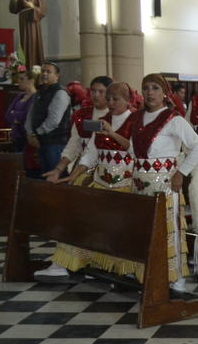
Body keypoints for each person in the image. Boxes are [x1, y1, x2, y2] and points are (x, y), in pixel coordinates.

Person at [34, 82, 138, 281]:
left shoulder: (135, 120)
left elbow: (136, 150)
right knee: (82, 220)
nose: (111, 102)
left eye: (116, 99)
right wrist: (73, 174)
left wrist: (112, 134)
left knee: (122, 228)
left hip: (125, 184)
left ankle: (125, 268)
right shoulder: (102, 120)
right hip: (101, 182)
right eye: (109, 98)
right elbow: (90, 153)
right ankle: (68, 263)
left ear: (127, 100)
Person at [130, 73, 198, 292]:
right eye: (146, 88)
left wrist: (181, 172)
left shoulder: (174, 119)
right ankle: (146, 273)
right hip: (140, 184)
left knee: (168, 229)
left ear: (164, 93)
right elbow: (132, 149)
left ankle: (175, 276)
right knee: (144, 230)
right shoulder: (137, 118)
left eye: (155, 88)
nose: (150, 92)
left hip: (164, 183)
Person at [44, 75, 112, 183]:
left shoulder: (115, 116)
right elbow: (73, 145)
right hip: (82, 168)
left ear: (110, 94)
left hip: (108, 168)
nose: (95, 95)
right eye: (93, 91)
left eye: (101, 91)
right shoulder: (82, 115)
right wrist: (58, 169)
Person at [24, 62, 71, 174]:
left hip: (55, 143)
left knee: (55, 178)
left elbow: (53, 121)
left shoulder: (60, 93)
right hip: (41, 141)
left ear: (57, 76)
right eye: (43, 71)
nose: (44, 74)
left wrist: (36, 134)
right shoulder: (40, 92)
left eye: (48, 72)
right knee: (44, 176)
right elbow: (31, 114)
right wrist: (29, 133)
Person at [8, 0, 46, 68]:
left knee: (34, 42)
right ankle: (24, 68)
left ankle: (35, 68)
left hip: (33, 21)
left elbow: (43, 10)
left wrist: (32, 6)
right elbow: (12, 10)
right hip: (23, 20)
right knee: (24, 43)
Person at [5, 67, 38, 165]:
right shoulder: (19, 96)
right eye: (18, 79)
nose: (19, 81)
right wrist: (17, 117)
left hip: (28, 137)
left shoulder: (36, 96)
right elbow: (7, 115)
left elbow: (28, 116)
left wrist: (15, 115)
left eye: (22, 79)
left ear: (31, 80)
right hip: (17, 136)